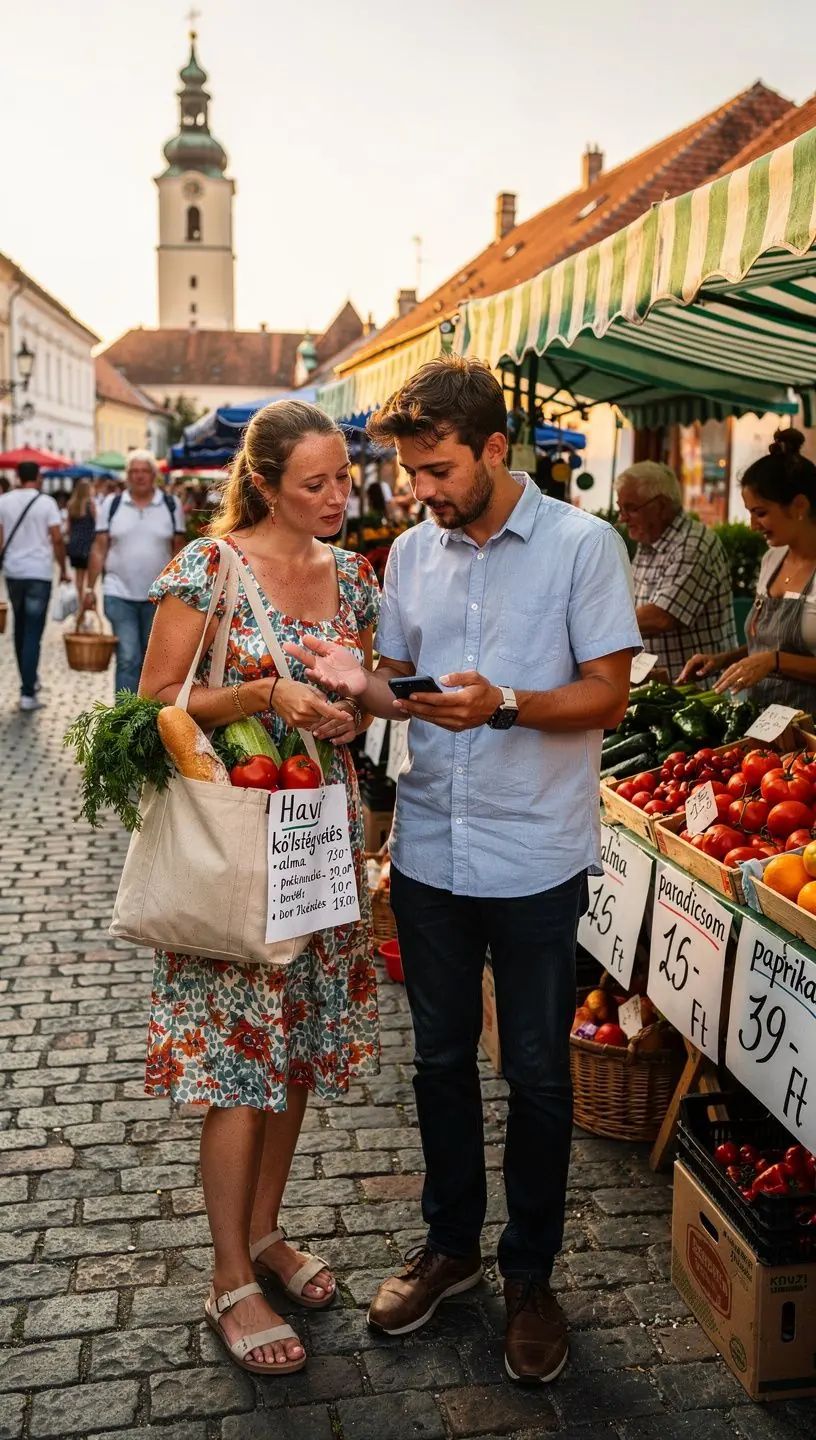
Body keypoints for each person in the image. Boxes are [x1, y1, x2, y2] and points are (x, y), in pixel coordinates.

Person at [286, 356, 641, 1385]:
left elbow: (608, 697)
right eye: (410, 473)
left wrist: (510, 703)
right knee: (438, 1062)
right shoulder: (409, 554)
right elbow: (405, 686)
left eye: (438, 469)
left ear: (495, 449)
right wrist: (362, 685)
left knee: (535, 1072)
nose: (422, 492)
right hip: (433, 846)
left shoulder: (584, 545)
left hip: (535, 852)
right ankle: (449, 1248)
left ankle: (529, 1273)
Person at [138, 400, 380, 1377]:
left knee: (296, 1055)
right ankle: (231, 1274)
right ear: (268, 480)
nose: (334, 499)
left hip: (319, 841)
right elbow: (156, 699)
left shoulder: (355, 575)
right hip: (235, 845)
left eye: (343, 481)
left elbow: (359, 695)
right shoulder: (209, 565)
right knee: (239, 1071)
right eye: (314, 483)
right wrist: (262, 695)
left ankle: (269, 1231)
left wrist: (344, 716)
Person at [679, 430, 816, 709]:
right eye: (749, 512)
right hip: (762, 724)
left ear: (800, 505)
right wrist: (726, 660)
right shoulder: (771, 559)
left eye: (761, 513)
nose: (753, 526)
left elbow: (774, 655)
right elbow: (767, 645)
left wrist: (774, 661)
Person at [615, 461, 737, 681]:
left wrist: (592, 624)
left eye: (631, 508)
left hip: (692, 689)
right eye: (620, 507)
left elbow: (660, 617)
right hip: (655, 684)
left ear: (661, 506)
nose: (622, 518)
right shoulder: (648, 540)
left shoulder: (694, 544)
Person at [84, 451, 186, 696]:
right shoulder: (112, 504)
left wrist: (181, 592)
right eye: (134, 471)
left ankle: (146, 719)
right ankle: (123, 723)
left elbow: (180, 549)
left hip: (159, 597)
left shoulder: (171, 505)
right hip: (118, 591)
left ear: (154, 475)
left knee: (151, 661)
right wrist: (89, 587)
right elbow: (99, 548)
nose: (139, 476)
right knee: (128, 656)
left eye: (144, 471)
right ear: (127, 476)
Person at [0, 460, 69, 710]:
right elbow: (57, 538)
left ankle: (28, 681)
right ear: (38, 477)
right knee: (33, 633)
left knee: (19, 628)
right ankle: (28, 692)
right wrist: (63, 568)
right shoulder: (46, 503)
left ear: (18, 476)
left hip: (13, 572)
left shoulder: (4, 501)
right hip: (39, 572)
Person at [65, 479, 96, 607]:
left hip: (75, 543)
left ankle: (79, 602)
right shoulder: (91, 505)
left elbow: (68, 528)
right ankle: (88, 604)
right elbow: (97, 524)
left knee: (78, 576)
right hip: (88, 543)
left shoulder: (71, 505)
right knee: (90, 577)